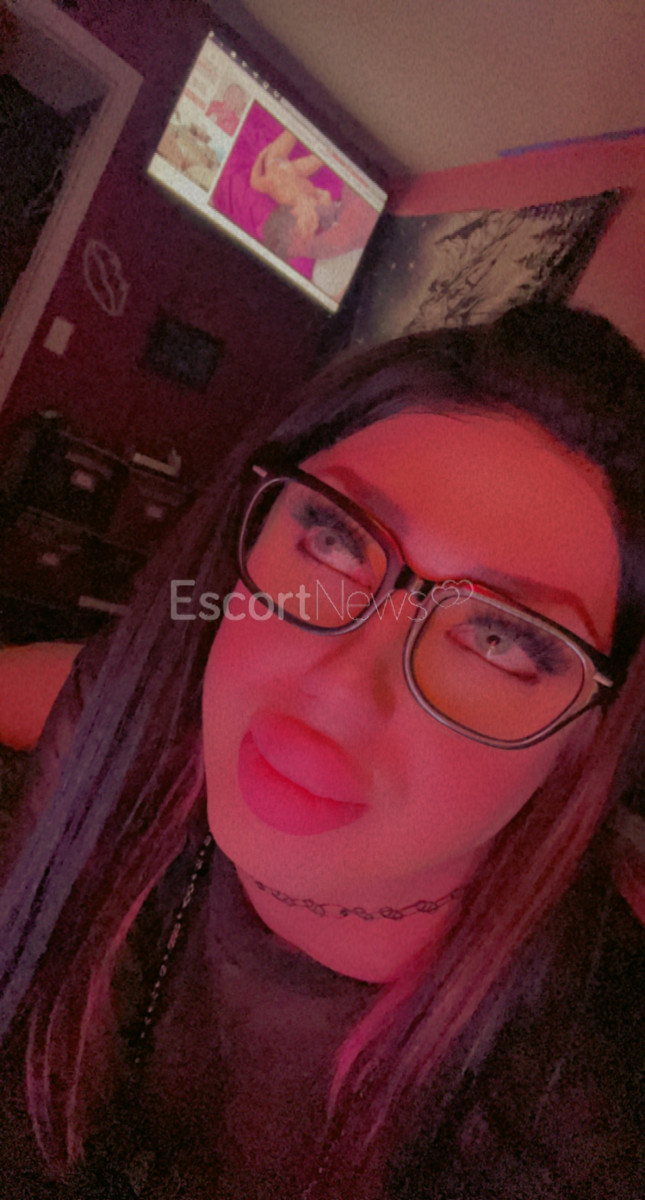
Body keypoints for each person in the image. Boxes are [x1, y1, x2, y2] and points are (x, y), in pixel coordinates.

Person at [0, 301, 644, 1200]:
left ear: (585, 735)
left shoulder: (581, 1131)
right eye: (336, 540)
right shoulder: (130, 725)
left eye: (499, 638)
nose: (338, 686)